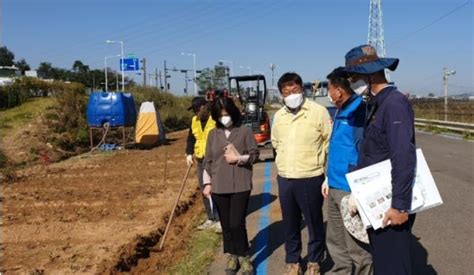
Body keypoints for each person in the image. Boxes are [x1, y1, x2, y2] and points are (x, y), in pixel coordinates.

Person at [343, 44, 416, 275]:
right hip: (377, 200)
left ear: (370, 73)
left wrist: (400, 205)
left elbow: (403, 156)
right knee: (385, 264)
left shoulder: (393, 103)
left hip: (390, 204)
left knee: (394, 267)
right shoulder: (375, 105)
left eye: (353, 76)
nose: (351, 82)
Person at [271, 72, 332, 275]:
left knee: (314, 222)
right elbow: (276, 143)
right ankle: (293, 261)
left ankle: (314, 261)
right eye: (287, 92)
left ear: (302, 89)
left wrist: (325, 171)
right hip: (286, 178)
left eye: (295, 90)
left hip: (310, 177)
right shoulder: (278, 116)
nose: (291, 94)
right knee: (290, 223)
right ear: (281, 95)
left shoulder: (318, 112)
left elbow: (328, 141)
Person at [321, 67, 373, 275]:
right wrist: (327, 177)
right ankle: (341, 271)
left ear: (339, 91)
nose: (328, 94)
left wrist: (358, 190)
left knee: (356, 243)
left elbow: (363, 152)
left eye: (329, 89)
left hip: (349, 188)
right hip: (334, 184)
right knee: (335, 239)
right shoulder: (341, 110)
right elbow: (337, 148)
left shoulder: (359, 111)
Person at [203, 96, 259, 275]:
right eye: (220, 116)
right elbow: (208, 161)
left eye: (226, 114)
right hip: (219, 185)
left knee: (237, 223)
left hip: (240, 184)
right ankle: (232, 254)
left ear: (233, 114)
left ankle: (243, 255)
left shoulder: (244, 131)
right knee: (226, 225)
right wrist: (207, 183)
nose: (224, 118)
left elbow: (254, 154)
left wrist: (239, 159)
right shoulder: (213, 134)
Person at [185, 96, 221, 232]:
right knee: (204, 190)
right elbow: (190, 139)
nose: (195, 113)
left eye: (196, 110)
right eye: (194, 111)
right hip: (200, 160)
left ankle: (219, 218)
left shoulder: (215, 119)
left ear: (204, 107)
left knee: (216, 189)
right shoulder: (194, 121)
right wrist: (188, 153)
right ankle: (210, 217)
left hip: (215, 160)